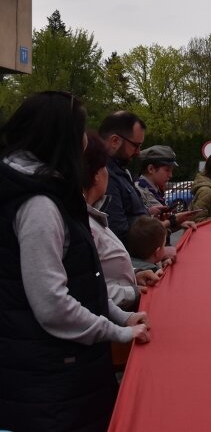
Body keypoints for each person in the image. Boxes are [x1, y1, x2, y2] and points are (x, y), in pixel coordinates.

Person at [0, 92, 149, 432]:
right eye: (81, 130)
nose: (86, 140)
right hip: (51, 384)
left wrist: (122, 316)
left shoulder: (44, 192)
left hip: (58, 379)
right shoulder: (38, 205)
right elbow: (52, 303)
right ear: (62, 136)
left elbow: (83, 283)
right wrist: (115, 332)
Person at [84, 132, 160, 312]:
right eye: (104, 168)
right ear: (96, 175)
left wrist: (135, 274)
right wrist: (131, 292)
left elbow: (103, 273)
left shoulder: (90, 214)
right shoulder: (81, 222)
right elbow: (84, 289)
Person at [98, 111, 154, 245]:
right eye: (136, 145)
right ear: (115, 141)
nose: (138, 152)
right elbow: (119, 235)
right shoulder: (105, 176)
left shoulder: (119, 171)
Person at [135, 145, 198, 232]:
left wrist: (180, 223)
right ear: (151, 169)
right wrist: (175, 221)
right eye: (167, 170)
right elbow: (146, 229)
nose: (170, 175)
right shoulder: (138, 191)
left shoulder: (155, 189)